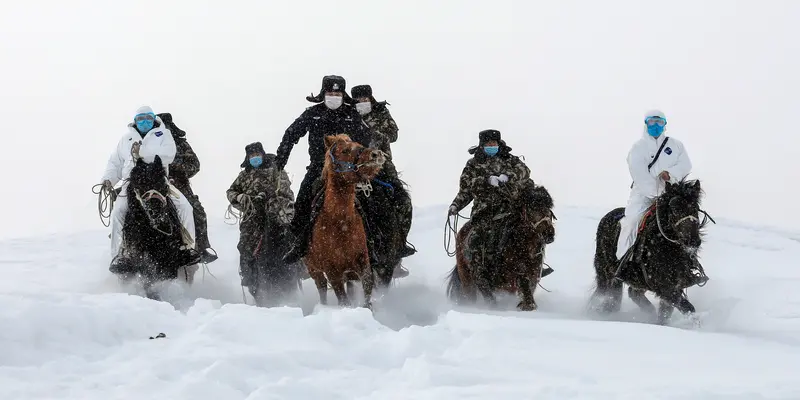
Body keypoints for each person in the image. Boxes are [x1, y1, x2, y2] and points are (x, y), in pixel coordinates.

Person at [275, 75, 373, 264]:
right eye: (330, 93)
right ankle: (300, 245)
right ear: (324, 94)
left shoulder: (351, 114)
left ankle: (373, 246)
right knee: (303, 200)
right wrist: (281, 159)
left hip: (349, 170)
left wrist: (363, 164)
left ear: (343, 94)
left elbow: (365, 139)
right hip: (319, 168)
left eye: (337, 93)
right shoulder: (312, 113)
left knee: (372, 202)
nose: (334, 96)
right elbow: (291, 134)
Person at [101, 106, 199, 270]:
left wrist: (143, 154)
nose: (144, 122)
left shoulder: (163, 134)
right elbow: (115, 162)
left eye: (148, 118)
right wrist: (108, 180)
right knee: (118, 212)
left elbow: (169, 154)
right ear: (135, 121)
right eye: (141, 119)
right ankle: (119, 255)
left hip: (157, 180)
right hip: (131, 181)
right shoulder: (126, 139)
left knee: (186, 208)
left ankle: (188, 248)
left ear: (153, 119)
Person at [447, 129, 531, 284]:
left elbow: (525, 171)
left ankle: (533, 266)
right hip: (485, 211)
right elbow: (466, 189)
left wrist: (508, 176)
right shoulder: (473, 164)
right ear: (482, 145)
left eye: (494, 143)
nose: (492, 145)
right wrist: (456, 205)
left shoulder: (510, 160)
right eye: (488, 143)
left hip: (511, 208)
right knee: (479, 239)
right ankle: (479, 271)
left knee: (530, 233)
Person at [351, 85, 416, 276]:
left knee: (404, 203)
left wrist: (371, 131)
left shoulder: (381, 113)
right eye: (358, 100)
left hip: (383, 170)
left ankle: (399, 246)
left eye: (365, 99)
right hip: (354, 172)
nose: (362, 103)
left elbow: (393, 134)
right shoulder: (347, 115)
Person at [616, 110, 693, 261]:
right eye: (652, 122)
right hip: (643, 195)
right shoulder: (638, 148)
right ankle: (624, 260)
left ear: (665, 124)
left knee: (688, 220)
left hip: (671, 193)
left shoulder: (676, 145)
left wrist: (670, 174)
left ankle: (689, 262)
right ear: (646, 124)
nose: (656, 125)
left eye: (659, 122)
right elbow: (639, 174)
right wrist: (656, 194)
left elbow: (686, 165)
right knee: (631, 222)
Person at [226, 142, 295, 288]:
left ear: (262, 154)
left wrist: (271, 199)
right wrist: (240, 198)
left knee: (291, 236)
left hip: (276, 211)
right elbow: (231, 191)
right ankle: (249, 276)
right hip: (253, 215)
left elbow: (285, 190)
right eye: (252, 155)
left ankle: (299, 268)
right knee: (245, 243)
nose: (255, 158)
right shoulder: (244, 175)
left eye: (257, 154)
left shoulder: (276, 169)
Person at [157, 112, 218, 264]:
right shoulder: (150, 143)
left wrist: (178, 169)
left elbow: (195, 165)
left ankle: (200, 248)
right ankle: (126, 252)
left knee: (198, 212)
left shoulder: (182, 144)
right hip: (154, 184)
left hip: (179, 185)